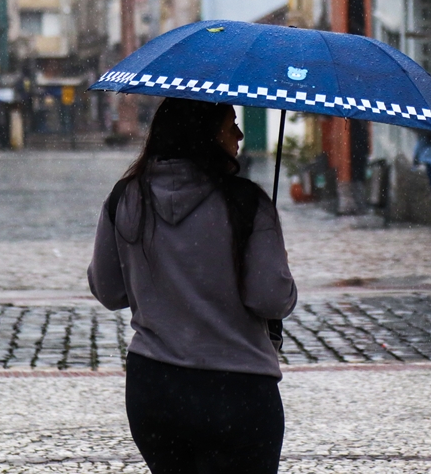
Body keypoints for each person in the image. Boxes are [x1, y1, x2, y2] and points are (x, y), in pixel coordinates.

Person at [89, 98, 297, 474]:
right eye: (229, 123)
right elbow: (269, 298)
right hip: (238, 390)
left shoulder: (126, 198)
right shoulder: (246, 204)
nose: (239, 133)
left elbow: (109, 290)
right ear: (204, 133)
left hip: (155, 388)